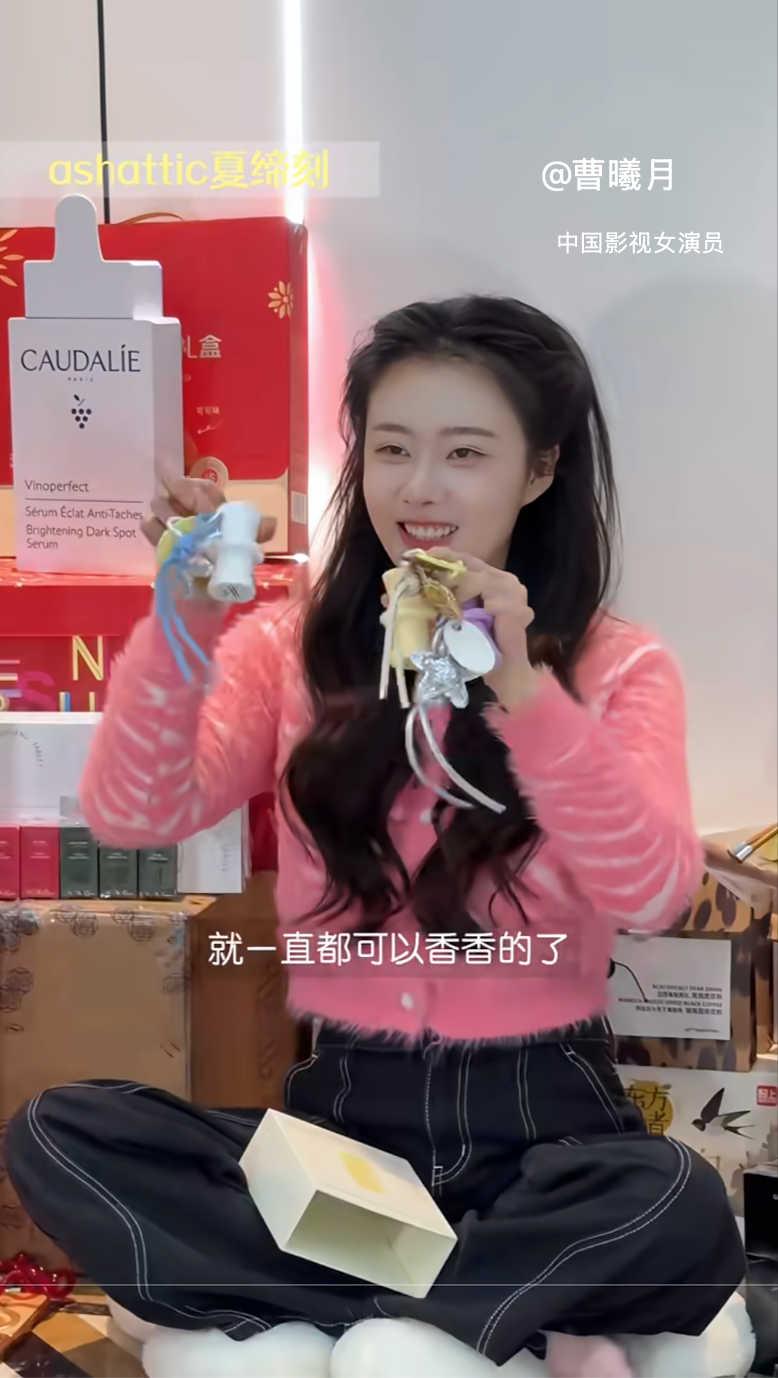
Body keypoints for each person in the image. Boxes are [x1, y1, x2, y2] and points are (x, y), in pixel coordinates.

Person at [7, 296, 749, 1378]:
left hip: (550, 1131)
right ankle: (493, 1310)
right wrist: (184, 615)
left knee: (677, 1199)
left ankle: (360, 1310)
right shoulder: (292, 647)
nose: (419, 488)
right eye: (392, 450)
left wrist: (521, 686)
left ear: (539, 469)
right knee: (60, 1129)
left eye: (465, 453)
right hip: (347, 1135)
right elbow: (135, 812)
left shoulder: (616, 664)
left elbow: (650, 892)